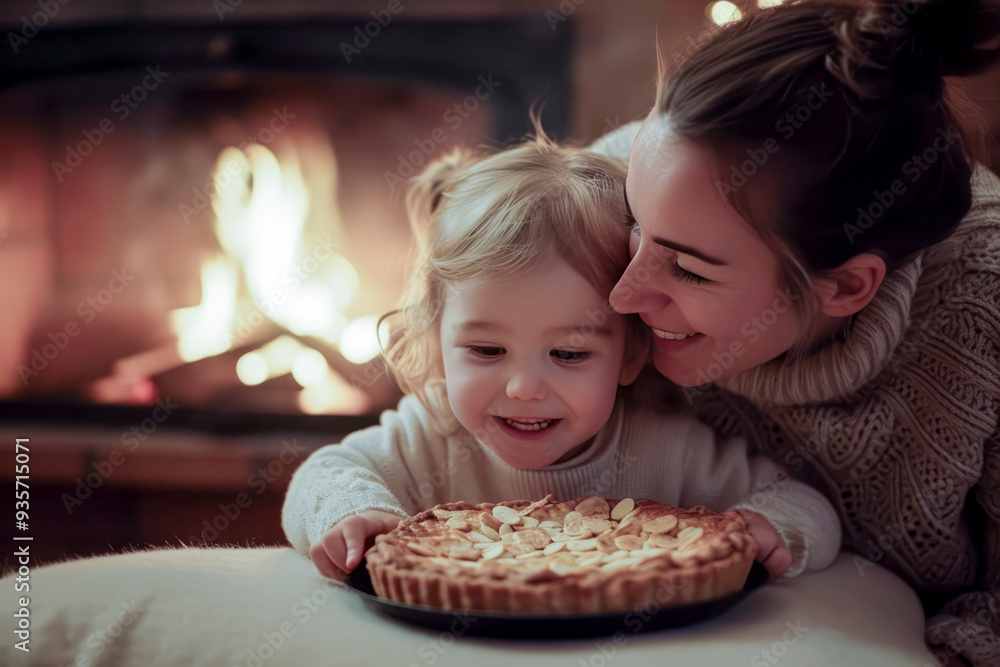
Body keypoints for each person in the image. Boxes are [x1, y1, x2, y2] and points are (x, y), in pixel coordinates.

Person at [601, 0, 1000, 664]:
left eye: (689, 269)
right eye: (632, 224)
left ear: (845, 287)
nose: (621, 292)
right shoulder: (646, 172)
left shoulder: (983, 311)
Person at [282, 132, 841, 586]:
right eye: (485, 350)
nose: (524, 387)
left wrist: (770, 526)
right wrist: (351, 515)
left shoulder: (663, 448)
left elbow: (804, 502)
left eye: (569, 353)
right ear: (436, 342)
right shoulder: (433, 434)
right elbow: (324, 473)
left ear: (629, 356)